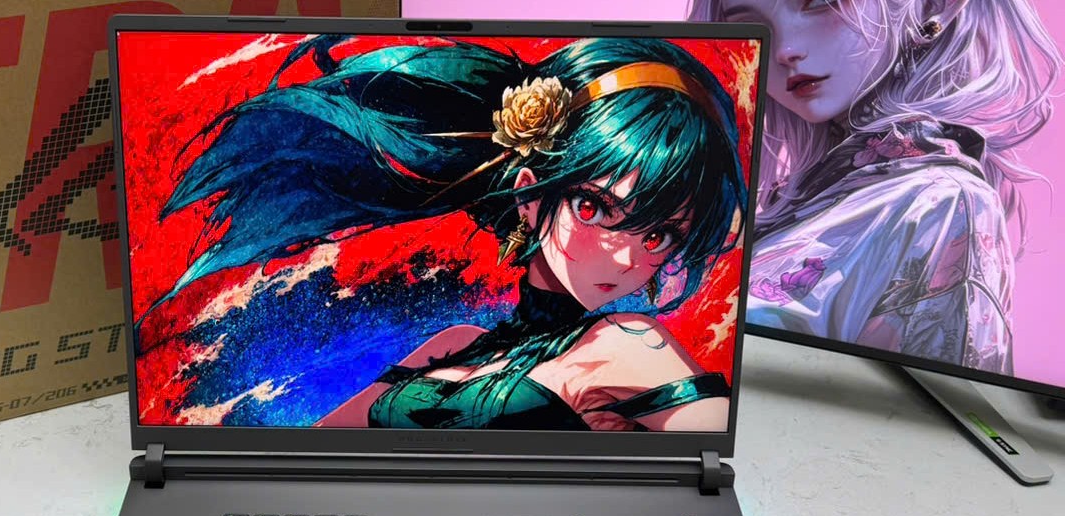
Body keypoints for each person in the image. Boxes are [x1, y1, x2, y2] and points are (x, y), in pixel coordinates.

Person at [145, 35, 749, 430]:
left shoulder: (631, 345)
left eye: (658, 237)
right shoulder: (455, 343)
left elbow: (703, 463)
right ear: (531, 195)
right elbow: (317, 447)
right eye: (594, 207)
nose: (622, 257)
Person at [690, 0, 1061, 374]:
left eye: (821, 4)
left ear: (932, 5)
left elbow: (930, 406)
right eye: (753, 25)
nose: (784, 50)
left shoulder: (942, 203)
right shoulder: (779, 208)